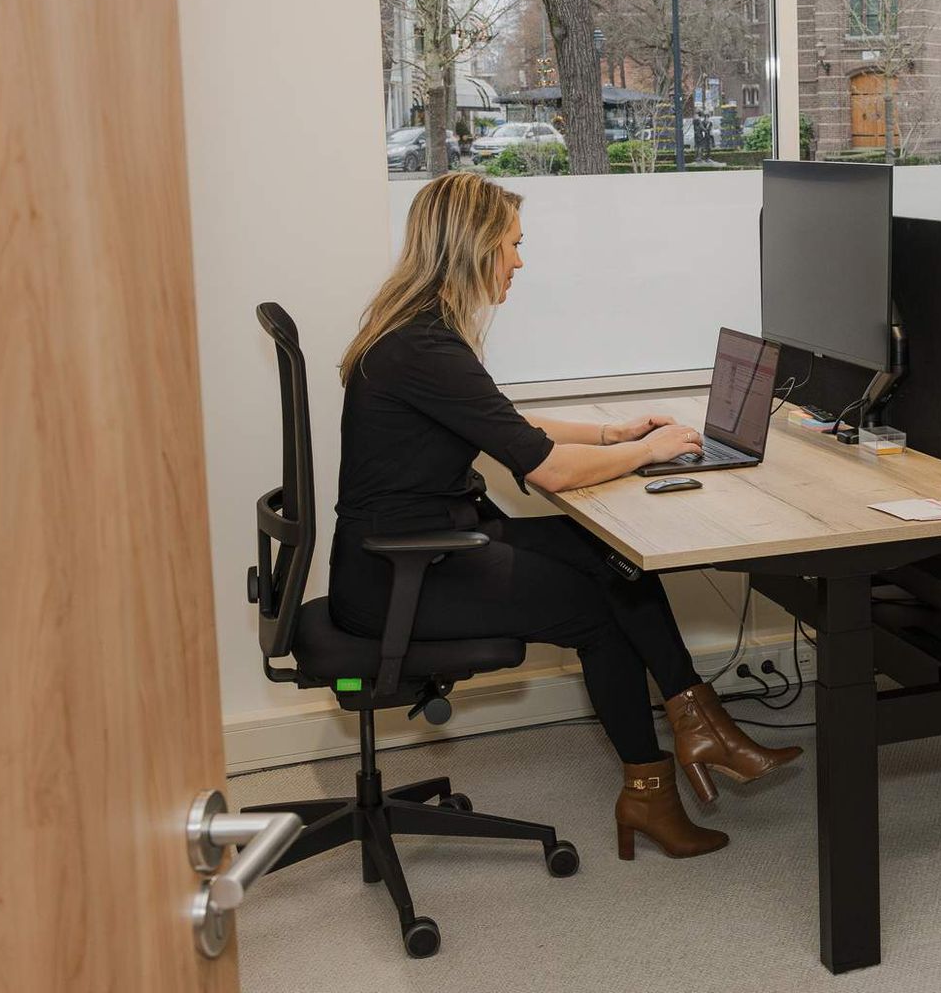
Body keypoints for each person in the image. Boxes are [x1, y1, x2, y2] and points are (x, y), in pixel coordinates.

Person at [330, 171, 800, 860]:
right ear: (474, 247)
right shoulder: (426, 346)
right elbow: (546, 468)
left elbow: (501, 422)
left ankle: (701, 727)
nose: (520, 261)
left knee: (615, 559)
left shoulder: (418, 331)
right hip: (400, 576)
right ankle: (652, 792)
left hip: (424, 546)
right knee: (595, 608)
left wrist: (612, 436)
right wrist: (648, 451)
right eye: (513, 245)